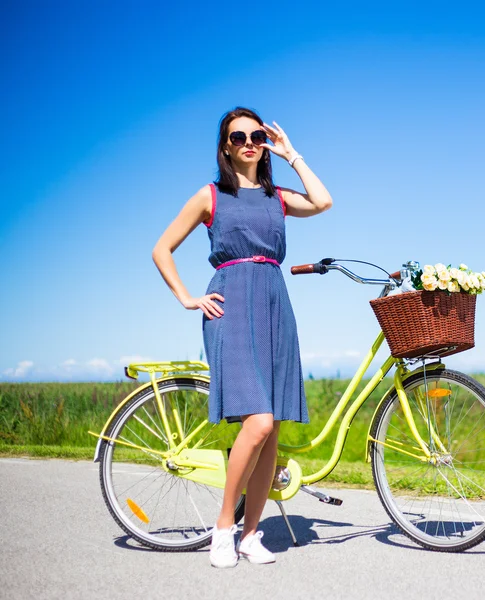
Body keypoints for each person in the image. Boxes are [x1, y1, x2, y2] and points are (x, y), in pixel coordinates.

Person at [151, 107, 332, 568]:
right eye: (238, 136)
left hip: (274, 306)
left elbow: (324, 201)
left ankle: (251, 535)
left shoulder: (277, 197)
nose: (248, 142)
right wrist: (188, 298)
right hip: (230, 306)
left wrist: (293, 155)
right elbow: (162, 248)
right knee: (259, 423)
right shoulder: (210, 196)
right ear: (225, 145)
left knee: (270, 432)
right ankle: (222, 530)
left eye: (256, 135)